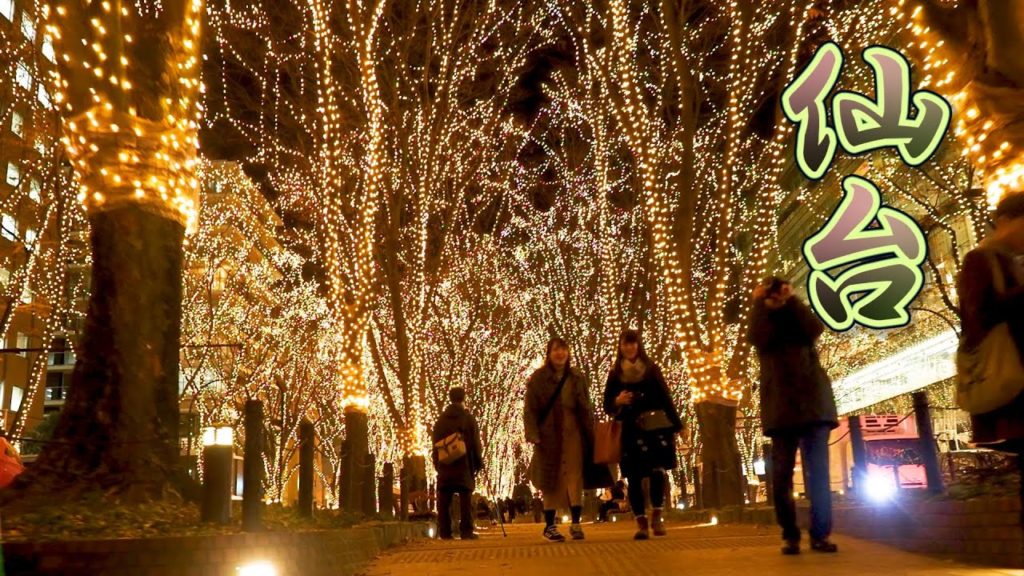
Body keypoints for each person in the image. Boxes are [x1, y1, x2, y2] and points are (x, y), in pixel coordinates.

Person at [748, 276, 839, 555]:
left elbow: (815, 328)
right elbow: (757, 337)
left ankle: (820, 535)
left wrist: (792, 300)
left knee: (819, 475)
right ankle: (790, 535)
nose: (777, 294)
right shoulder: (764, 322)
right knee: (781, 477)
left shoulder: (797, 315)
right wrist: (760, 304)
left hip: (813, 404)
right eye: (772, 290)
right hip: (781, 407)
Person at [958, 192, 1024, 521]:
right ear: (1005, 222)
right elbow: (978, 316)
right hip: (1012, 383)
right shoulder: (980, 261)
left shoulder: (1012, 262)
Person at [602, 329, 683, 540]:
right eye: (625, 344)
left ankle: (657, 515)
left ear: (638, 345)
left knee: (658, 472)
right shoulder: (615, 374)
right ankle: (641, 523)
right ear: (620, 347)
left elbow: (666, 398)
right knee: (634, 478)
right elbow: (606, 405)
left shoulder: (651, 369)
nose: (629, 347)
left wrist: (678, 425)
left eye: (633, 343)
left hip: (655, 427)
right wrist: (617, 401)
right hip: (630, 428)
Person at [524, 337, 596, 541]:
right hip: (549, 434)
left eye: (563, 349)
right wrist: (533, 434)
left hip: (574, 432)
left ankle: (576, 522)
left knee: (575, 476)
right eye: (556, 350)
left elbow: (586, 406)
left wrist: (590, 431)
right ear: (548, 353)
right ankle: (550, 526)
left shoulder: (576, 376)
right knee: (551, 478)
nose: (560, 353)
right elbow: (530, 410)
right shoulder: (538, 378)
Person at [431, 386, 484, 540]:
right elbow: (475, 443)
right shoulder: (468, 418)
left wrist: (437, 463)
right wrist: (478, 462)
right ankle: (466, 531)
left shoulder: (440, 420)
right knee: (465, 497)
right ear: (463, 398)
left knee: (444, 497)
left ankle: (445, 532)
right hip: (464, 463)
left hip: (445, 463)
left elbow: (435, 443)